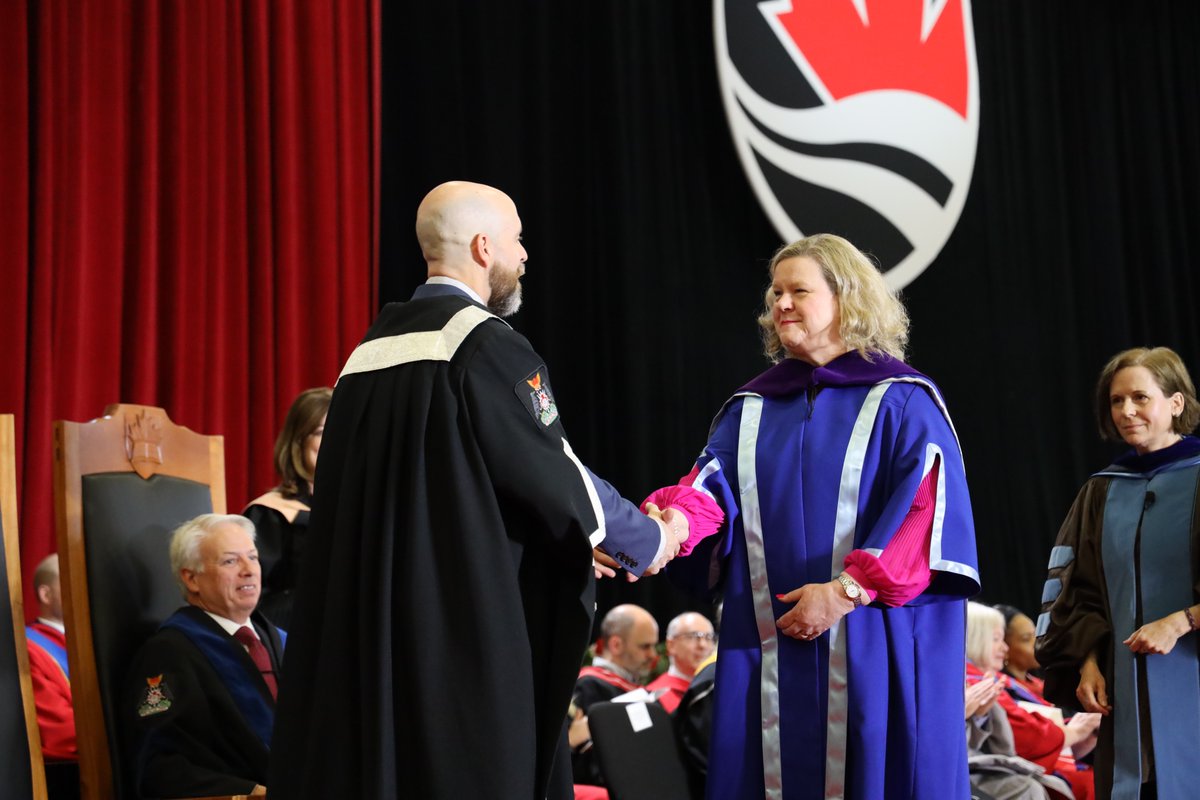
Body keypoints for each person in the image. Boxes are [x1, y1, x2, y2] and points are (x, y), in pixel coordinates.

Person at [268, 181, 692, 800]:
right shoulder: (484, 343)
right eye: (518, 241)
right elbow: (556, 473)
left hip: (369, 631)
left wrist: (567, 543)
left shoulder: (363, 356)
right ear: (483, 245)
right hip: (456, 626)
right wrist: (652, 538)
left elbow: (453, 484)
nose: (524, 257)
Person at [643, 233, 980, 798]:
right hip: (767, 641)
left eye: (799, 290)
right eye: (775, 292)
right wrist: (668, 530)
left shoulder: (901, 400)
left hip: (871, 635)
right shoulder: (750, 410)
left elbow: (925, 512)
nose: (780, 305)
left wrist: (846, 591)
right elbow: (706, 492)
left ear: (847, 300)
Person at [1036, 346, 1200, 799]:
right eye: (1116, 401)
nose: (1126, 411)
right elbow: (1078, 592)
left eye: (1140, 398)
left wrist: (1182, 620)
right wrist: (1088, 661)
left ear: (1175, 403)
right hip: (1127, 704)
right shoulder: (1102, 492)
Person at [122, 514, 283, 798]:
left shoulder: (281, 642)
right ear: (192, 578)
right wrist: (252, 792)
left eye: (253, 557)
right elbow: (159, 766)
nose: (249, 570)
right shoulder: (170, 654)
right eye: (230, 561)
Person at [967, 602, 1097, 800]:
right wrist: (1075, 732)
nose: (1004, 648)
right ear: (976, 640)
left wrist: (1079, 735)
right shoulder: (979, 682)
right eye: (996, 639)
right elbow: (1027, 739)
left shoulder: (1031, 684)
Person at [242, 386, 332, 631]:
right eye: (323, 431)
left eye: (342, 431)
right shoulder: (272, 514)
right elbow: (250, 599)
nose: (335, 440)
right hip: (292, 637)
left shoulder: (360, 509)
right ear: (298, 440)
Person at [25, 554, 76, 762]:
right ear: (46, 595)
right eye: (71, 581)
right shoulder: (28, 650)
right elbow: (61, 733)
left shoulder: (94, 642)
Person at [646, 611, 715, 713]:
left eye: (708, 637)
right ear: (671, 645)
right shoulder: (654, 698)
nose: (703, 645)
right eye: (694, 636)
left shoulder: (715, 691)